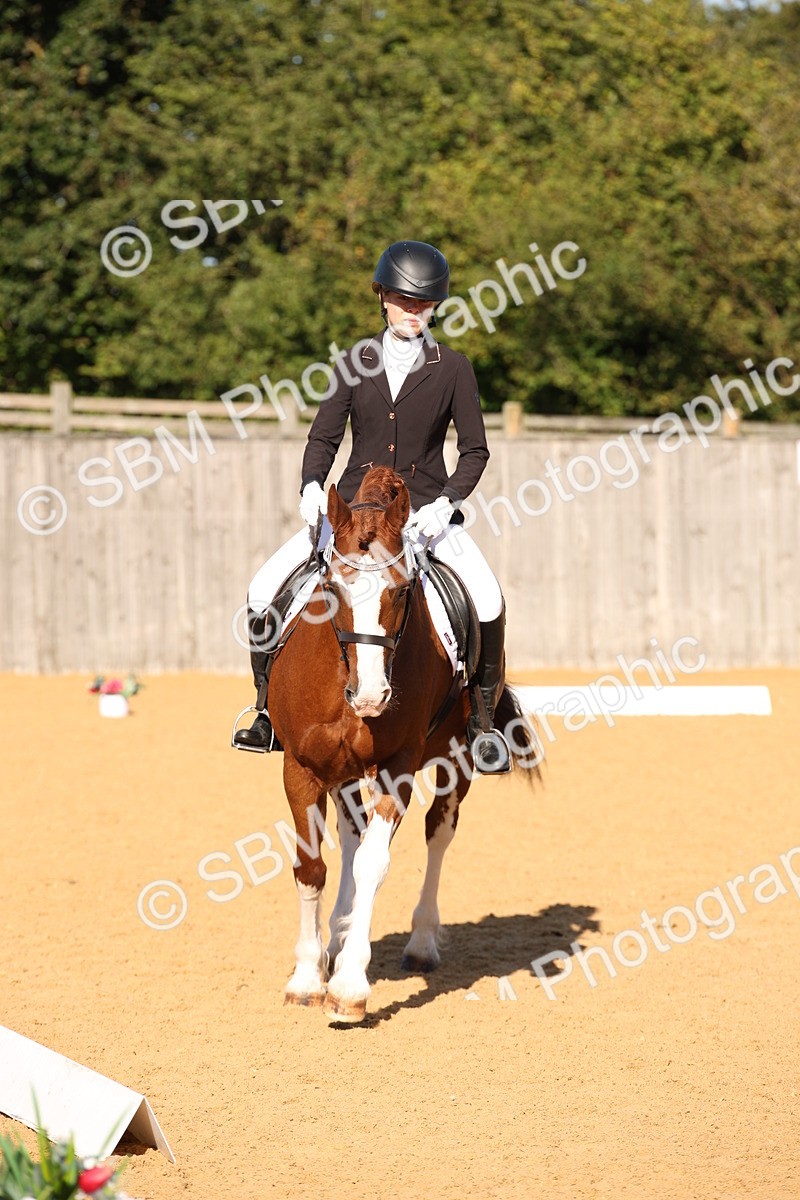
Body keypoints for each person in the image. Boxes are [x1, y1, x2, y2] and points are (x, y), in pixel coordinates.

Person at [232, 239, 511, 773]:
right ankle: (266, 712)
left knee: (489, 598)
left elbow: (475, 450)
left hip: (425, 511)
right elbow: (323, 437)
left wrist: (447, 500)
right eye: (404, 301)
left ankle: (481, 725)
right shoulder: (354, 361)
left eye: (424, 304)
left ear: (435, 307)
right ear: (382, 296)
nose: (413, 312)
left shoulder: (453, 368)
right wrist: (313, 485)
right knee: (263, 588)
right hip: (352, 512)